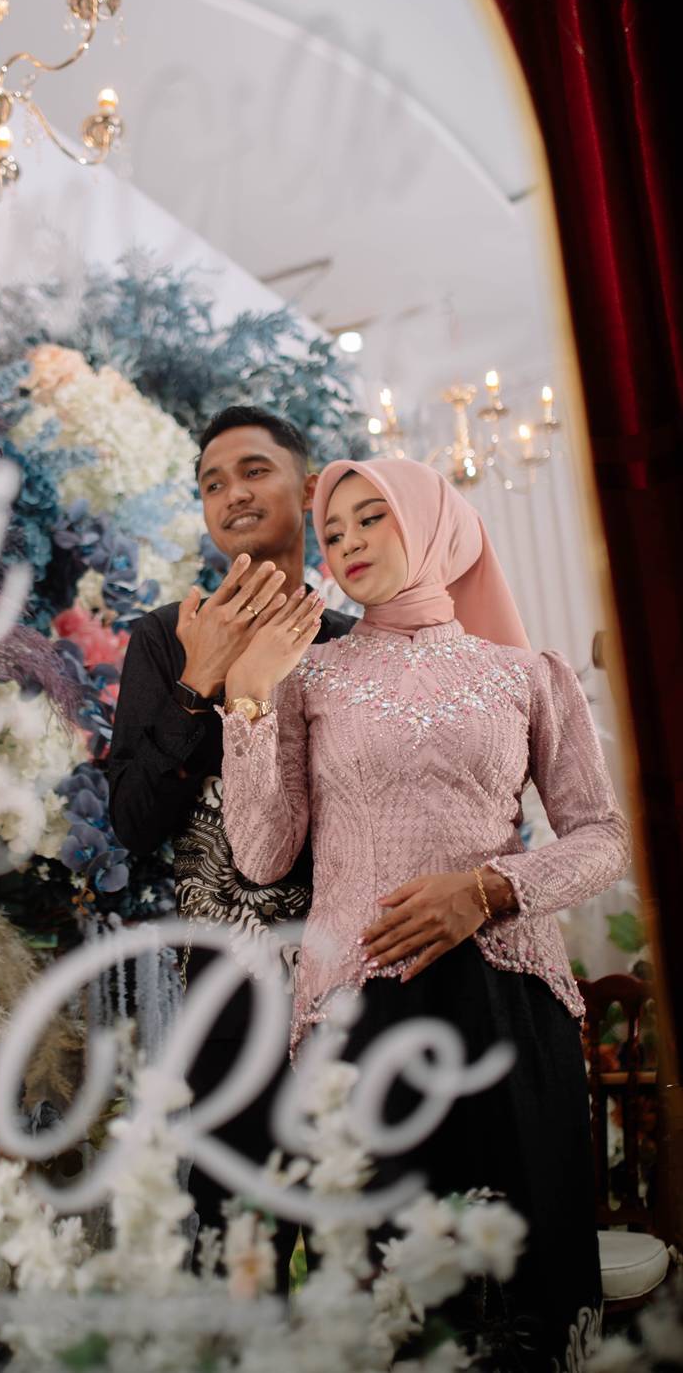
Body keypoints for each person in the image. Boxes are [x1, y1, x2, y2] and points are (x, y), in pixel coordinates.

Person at [217, 456, 630, 1370]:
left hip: (511, 1002)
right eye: (333, 532)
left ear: (431, 524)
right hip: (360, 1008)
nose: (350, 542)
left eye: (373, 518)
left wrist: (488, 890)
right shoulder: (309, 678)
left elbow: (605, 837)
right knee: (390, 1296)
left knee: (526, 1289)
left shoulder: (526, 674)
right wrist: (247, 695)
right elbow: (263, 855)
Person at [108, 406, 355, 1286]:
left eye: (254, 471)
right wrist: (199, 679)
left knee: (357, 1236)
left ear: (309, 489)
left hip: (350, 978)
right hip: (226, 989)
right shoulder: (164, 637)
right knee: (237, 1247)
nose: (233, 494)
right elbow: (133, 822)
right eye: (213, 483)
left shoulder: (353, 645)